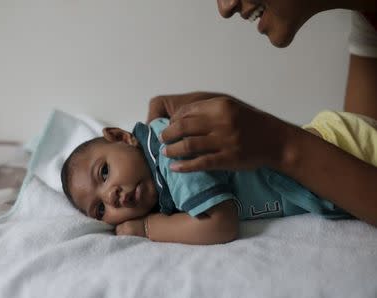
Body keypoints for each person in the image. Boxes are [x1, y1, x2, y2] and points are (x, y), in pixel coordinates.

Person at [146, 0, 377, 226]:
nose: (225, 8)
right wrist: (253, 128)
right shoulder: (368, 21)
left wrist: (279, 145)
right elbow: (363, 137)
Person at [60, 111, 377, 245]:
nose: (112, 195)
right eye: (100, 210)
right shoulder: (161, 188)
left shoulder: (169, 150)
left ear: (121, 137)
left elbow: (220, 224)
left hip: (341, 147)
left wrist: (145, 228)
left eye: (104, 172)